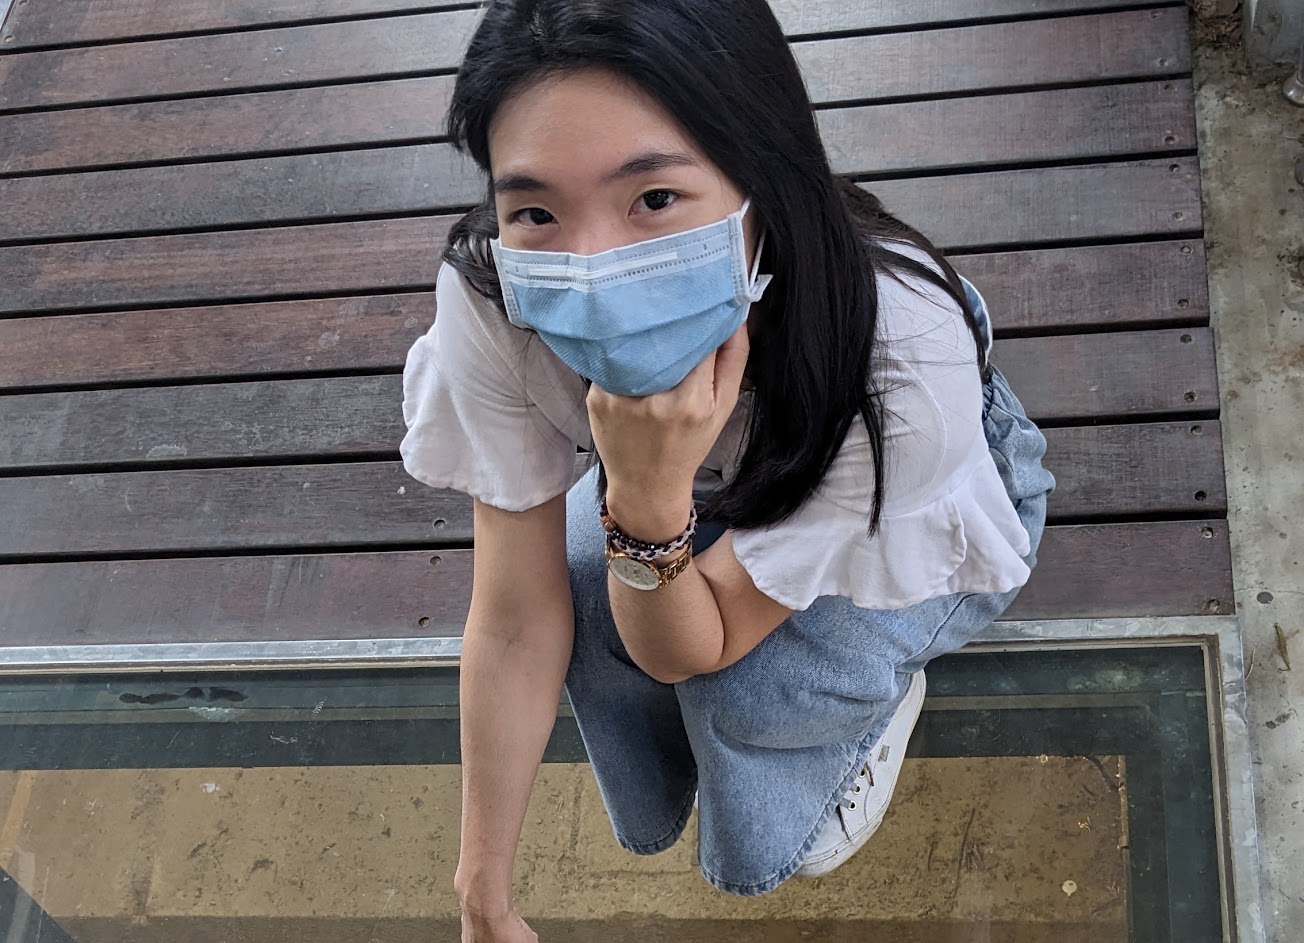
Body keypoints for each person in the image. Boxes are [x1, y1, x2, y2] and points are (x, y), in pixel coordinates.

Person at [399, 1, 1056, 939]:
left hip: (885, 481)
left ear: (761, 173)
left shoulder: (903, 364)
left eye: (654, 198)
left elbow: (686, 652)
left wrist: (648, 498)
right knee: (587, 587)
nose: (595, 270)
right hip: (689, 474)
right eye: (537, 210)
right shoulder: (495, 294)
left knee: (741, 686)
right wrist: (481, 892)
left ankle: (871, 707)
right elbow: (511, 619)